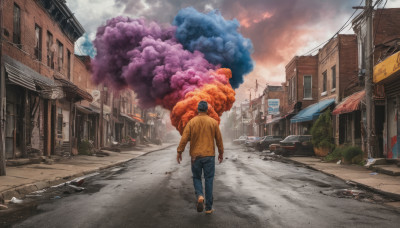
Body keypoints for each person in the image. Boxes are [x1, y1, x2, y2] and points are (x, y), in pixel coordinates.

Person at [177, 101, 224, 214]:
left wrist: (179, 151)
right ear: (207, 110)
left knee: (197, 178)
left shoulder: (192, 122)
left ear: (198, 110)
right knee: (209, 179)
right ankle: (208, 208)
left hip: (195, 156)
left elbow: (184, 138)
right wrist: (221, 152)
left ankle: (199, 196)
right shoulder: (213, 122)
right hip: (209, 155)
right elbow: (219, 139)